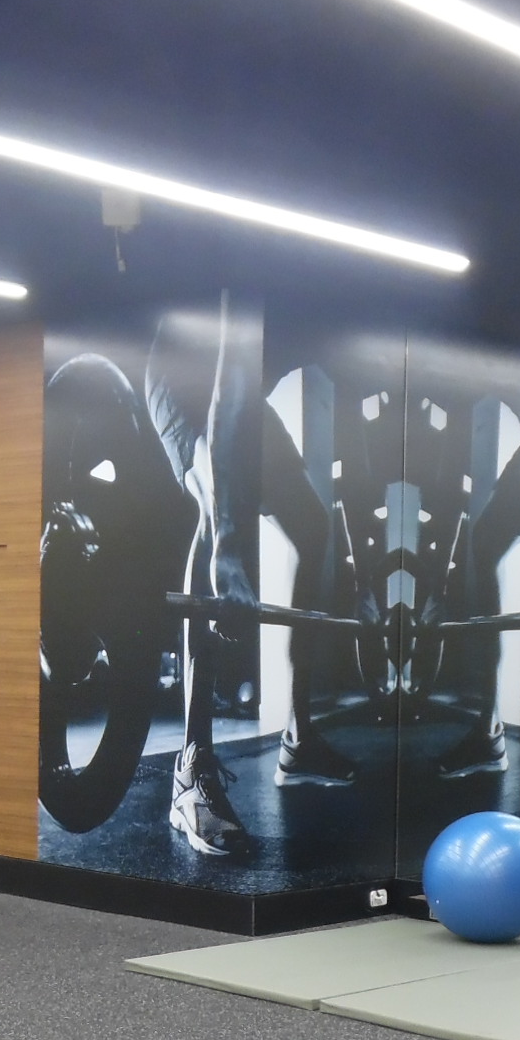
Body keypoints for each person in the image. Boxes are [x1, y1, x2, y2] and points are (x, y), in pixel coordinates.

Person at [144, 297, 354, 857]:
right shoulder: (257, 292)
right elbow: (228, 396)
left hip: (243, 399)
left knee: (312, 524)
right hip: (188, 383)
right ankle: (191, 772)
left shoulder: (348, 303)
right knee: (212, 508)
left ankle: (299, 737)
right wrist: (229, 551)